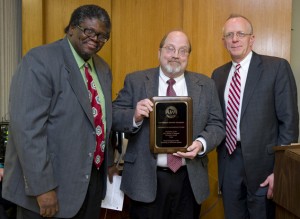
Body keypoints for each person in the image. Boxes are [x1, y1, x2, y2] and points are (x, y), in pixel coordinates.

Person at [2, 5, 116, 219]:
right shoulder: (40, 61)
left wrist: (108, 162)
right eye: (88, 31)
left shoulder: (102, 68)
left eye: (102, 36)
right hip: (49, 189)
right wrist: (42, 188)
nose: (95, 39)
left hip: (90, 185)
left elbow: (100, 120)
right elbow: (27, 130)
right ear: (72, 28)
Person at [112, 30, 225, 219]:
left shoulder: (206, 85)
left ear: (188, 56)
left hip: (189, 180)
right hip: (145, 179)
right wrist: (135, 115)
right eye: (170, 48)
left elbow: (217, 125)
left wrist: (201, 144)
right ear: (159, 52)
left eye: (183, 51)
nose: (175, 55)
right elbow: (114, 116)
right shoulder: (136, 80)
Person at [211, 14, 299, 219]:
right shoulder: (218, 75)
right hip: (229, 162)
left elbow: (289, 123)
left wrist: (281, 170)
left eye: (240, 34)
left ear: (252, 38)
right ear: (223, 41)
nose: (235, 39)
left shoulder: (276, 68)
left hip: (264, 166)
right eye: (229, 35)